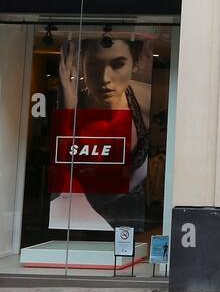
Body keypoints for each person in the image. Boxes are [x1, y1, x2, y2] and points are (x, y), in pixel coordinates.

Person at [55, 36, 154, 229]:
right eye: (93, 64)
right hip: (79, 217)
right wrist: (68, 111)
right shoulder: (70, 102)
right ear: (82, 64)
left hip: (133, 214)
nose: (104, 78)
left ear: (134, 65)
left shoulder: (146, 102)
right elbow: (61, 167)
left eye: (118, 64)